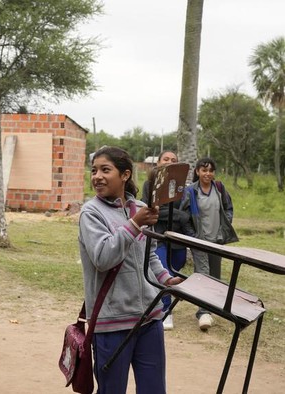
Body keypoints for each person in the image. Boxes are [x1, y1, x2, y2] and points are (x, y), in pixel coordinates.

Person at [79, 146, 183, 393]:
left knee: (154, 389)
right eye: (94, 170)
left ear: (125, 175)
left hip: (149, 318)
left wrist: (166, 279)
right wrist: (134, 224)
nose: (97, 176)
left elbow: (150, 254)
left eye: (106, 170)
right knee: (112, 389)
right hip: (112, 322)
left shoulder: (140, 207)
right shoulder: (91, 213)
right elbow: (103, 258)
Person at [140, 150, 193, 330]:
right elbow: (151, 210)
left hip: (178, 239)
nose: (169, 162)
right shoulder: (150, 185)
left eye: (174, 160)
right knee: (164, 273)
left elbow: (189, 213)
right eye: (166, 159)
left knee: (176, 268)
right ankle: (166, 311)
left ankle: (159, 302)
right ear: (158, 163)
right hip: (160, 237)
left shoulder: (182, 188)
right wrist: (180, 216)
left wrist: (181, 218)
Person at [180, 157, 234, 332]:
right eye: (204, 170)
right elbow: (184, 216)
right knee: (203, 274)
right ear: (197, 172)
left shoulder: (219, 188)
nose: (207, 173)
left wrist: (223, 228)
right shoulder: (191, 191)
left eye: (211, 170)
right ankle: (203, 312)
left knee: (215, 276)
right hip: (199, 241)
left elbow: (228, 208)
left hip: (216, 241)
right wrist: (193, 236)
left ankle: (210, 308)